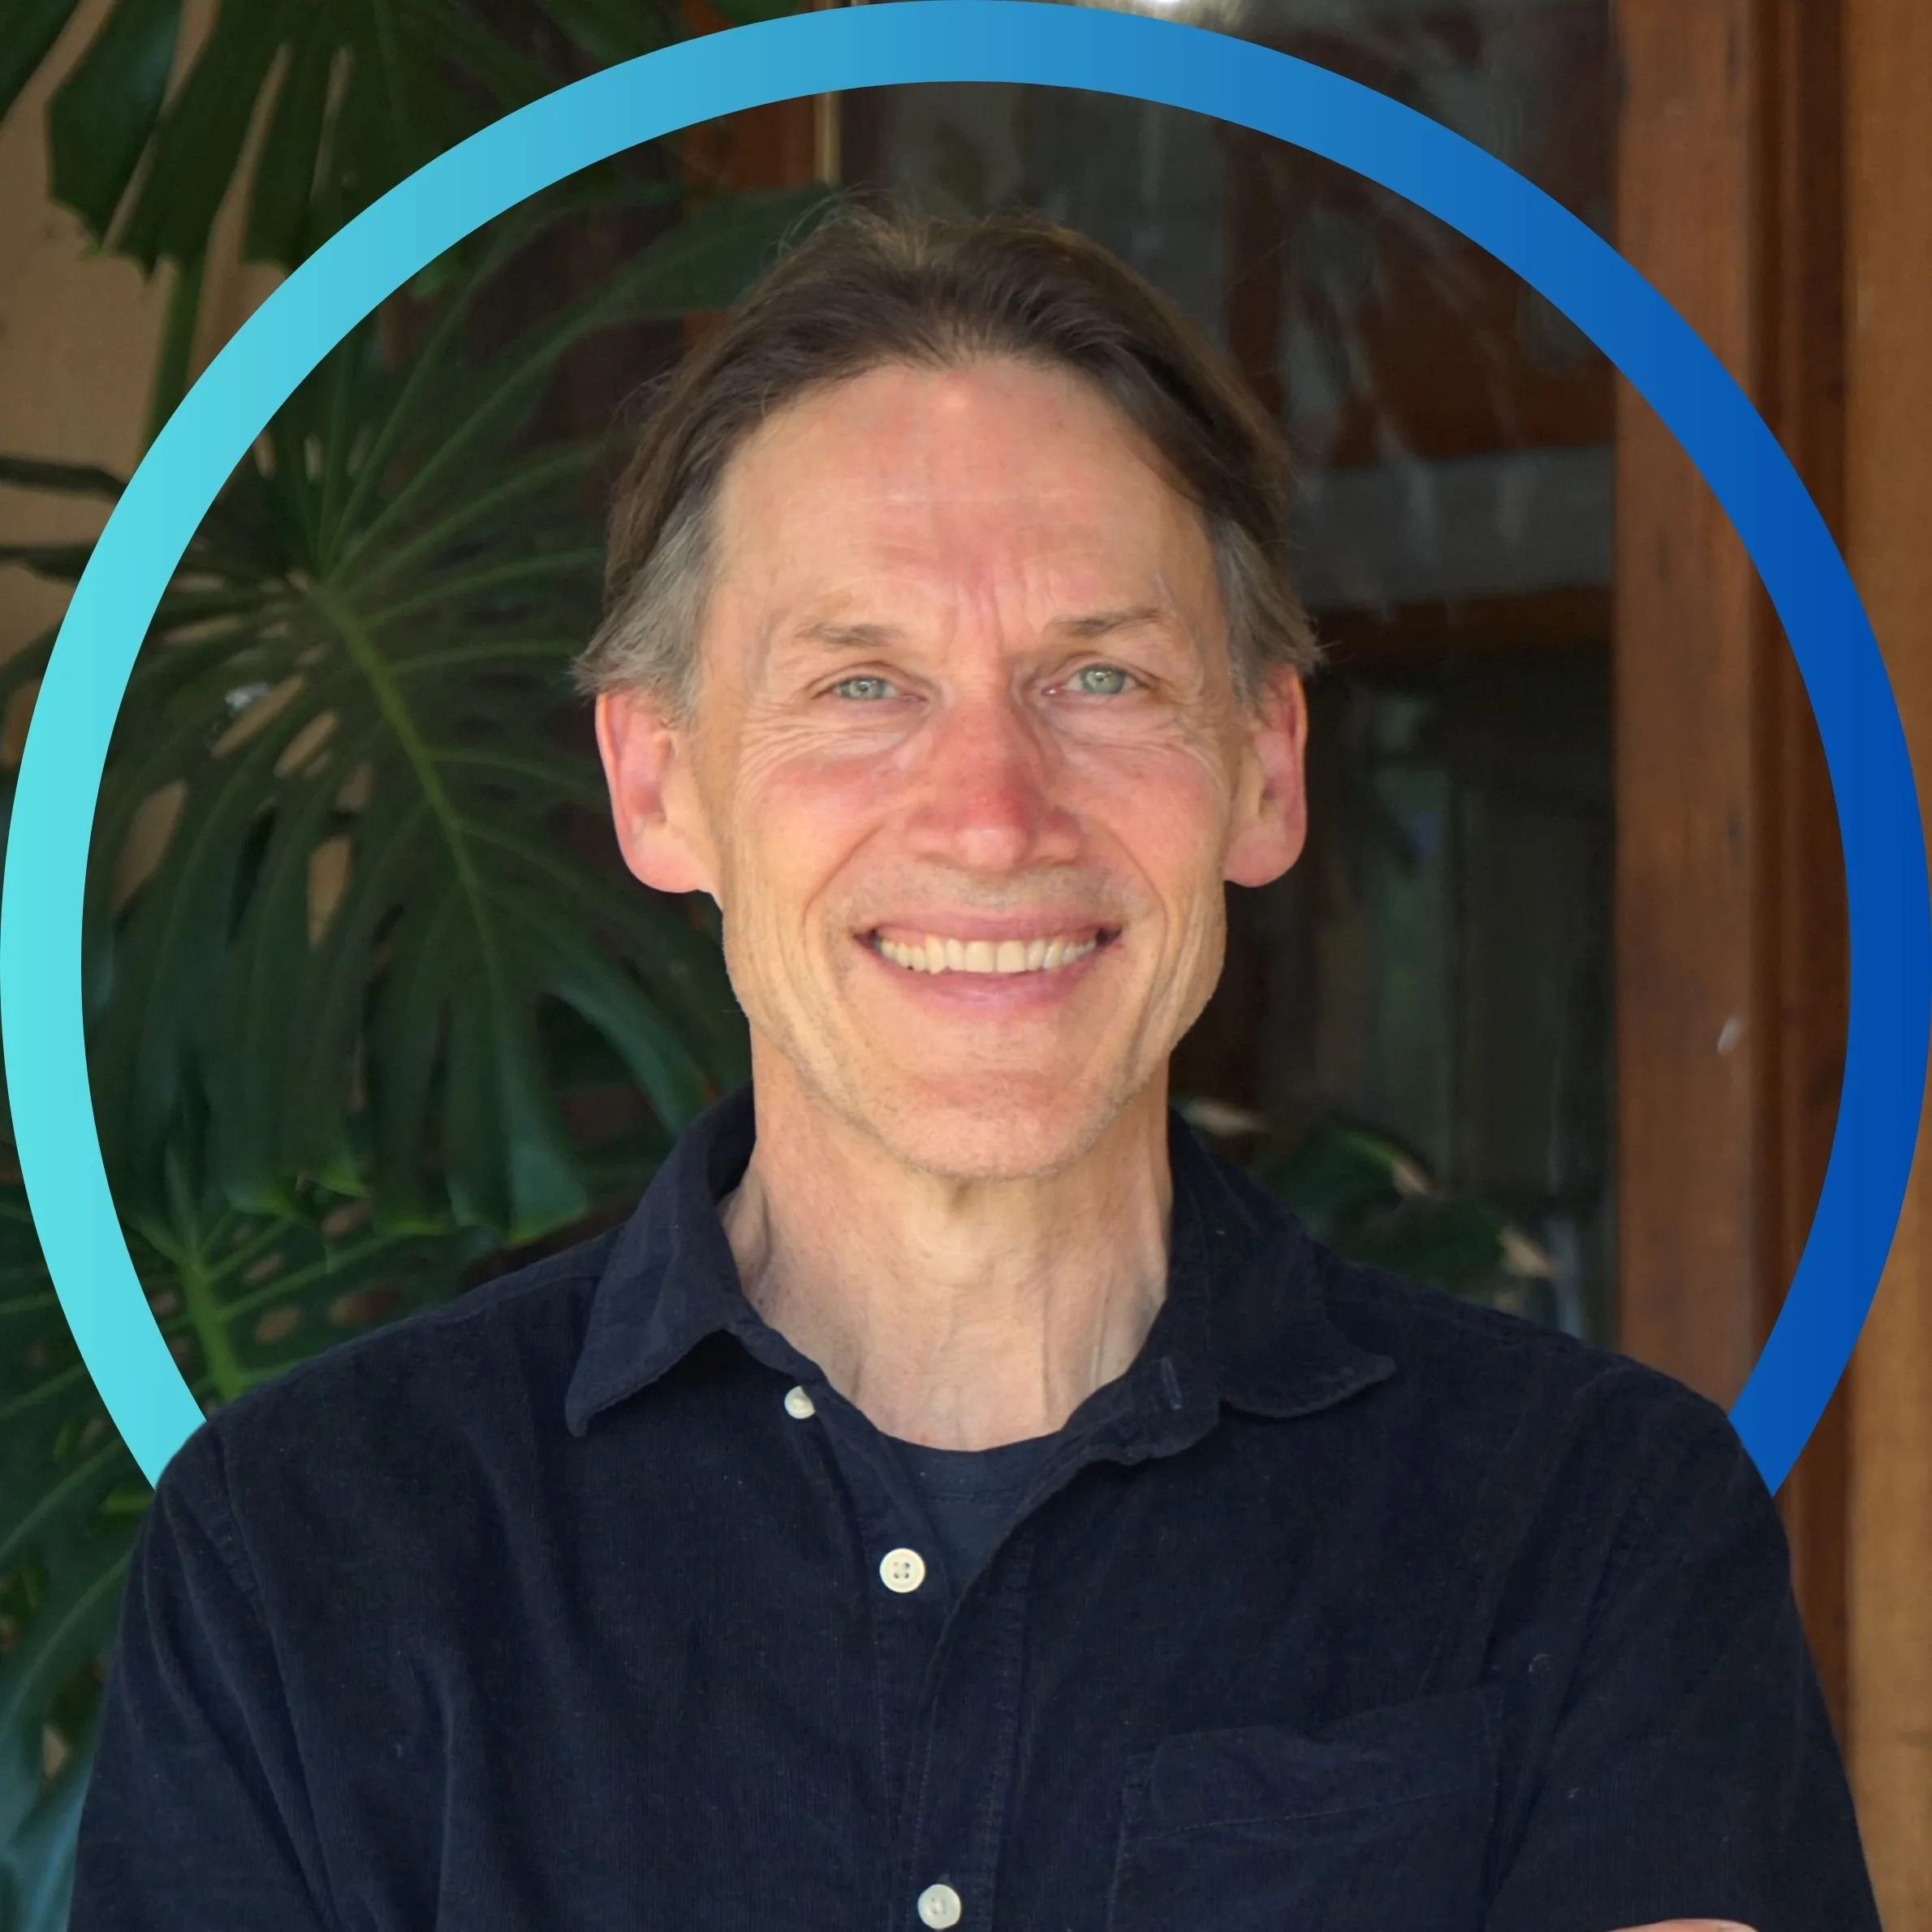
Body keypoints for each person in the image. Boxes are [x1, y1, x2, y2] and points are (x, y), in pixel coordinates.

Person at [70, 209, 1874, 1932]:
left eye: (1097, 677)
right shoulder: (306, 1546)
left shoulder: (1594, 1525)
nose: (994, 817)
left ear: (1261, 762)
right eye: (860, 686)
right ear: (656, 783)